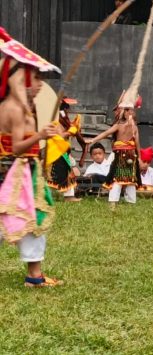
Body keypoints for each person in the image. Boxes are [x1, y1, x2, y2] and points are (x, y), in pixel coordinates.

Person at [0, 27, 62, 287]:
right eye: (35, 78)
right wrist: (40, 136)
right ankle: (34, 277)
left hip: (21, 173)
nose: (39, 85)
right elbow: (16, 148)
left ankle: (35, 275)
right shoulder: (15, 109)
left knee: (30, 220)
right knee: (30, 219)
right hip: (15, 174)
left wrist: (46, 134)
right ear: (21, 78)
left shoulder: (17, 107)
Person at [87, 98, 142, 207]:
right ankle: (112, 202)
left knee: (131, 179)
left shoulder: (134, 127)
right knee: (117, 178)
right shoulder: (118, 126)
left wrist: (139, 158)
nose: (131, 112)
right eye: (128, 110)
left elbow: (137, 144)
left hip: (131, 156)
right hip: (120, 156)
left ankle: (131, 202)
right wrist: (93, 140)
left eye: (132, 110)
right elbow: (106, 133)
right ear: (124, 112)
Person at [47, 98, 83, 202]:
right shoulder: (56, 121)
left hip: (65, 152)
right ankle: (44, 196)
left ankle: (69, 196)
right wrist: (70, 131)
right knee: (54, 176)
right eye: (67, 109)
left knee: (69, 173)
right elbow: (61, 136)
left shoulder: (64, 121)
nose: (69, 111)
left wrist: (75, 127)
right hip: (57, 152)